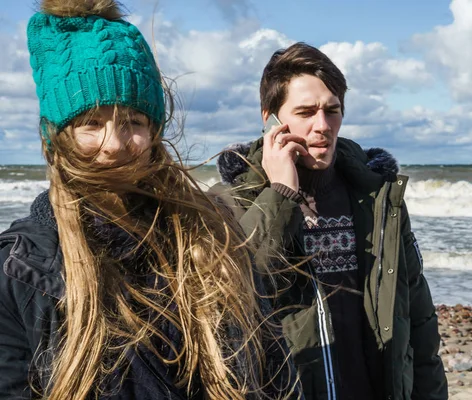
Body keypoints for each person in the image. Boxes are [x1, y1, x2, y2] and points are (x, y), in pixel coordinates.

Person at [0, 1, 300, 399]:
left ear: (155, 132)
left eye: (134, 122)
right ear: (57, 134)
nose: (115, 145)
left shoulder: (213, 244)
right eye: (91, 122)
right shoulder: (20, 269)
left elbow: (275, 378)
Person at [215, 42, 448, 399]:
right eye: (306, 112)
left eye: (332, 110)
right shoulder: (229, 202)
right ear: (270, 119)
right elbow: (240, 292)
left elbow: (417, 315)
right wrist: (280, 192)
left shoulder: (376, 197)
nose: (322, 126)